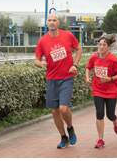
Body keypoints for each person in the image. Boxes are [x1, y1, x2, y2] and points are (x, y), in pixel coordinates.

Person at [35, 13, 82, 149]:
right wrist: (40, 64)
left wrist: (75, 64)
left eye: (54, 20)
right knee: (55, 111)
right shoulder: (42, 41)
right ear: (47, 23)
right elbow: (36, 59)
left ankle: (70, 127)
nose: (52, 22)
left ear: (58, 23)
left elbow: (78, 49)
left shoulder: (67, 35)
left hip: (66, 77)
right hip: (51, 79)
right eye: (49, 20)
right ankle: (63, 137)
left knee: (63, 108)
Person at [85, 34, 117, 149]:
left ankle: (115, 120)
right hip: (98, 89)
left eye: (104, 45)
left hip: (111, 90)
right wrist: (87, 77)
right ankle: (100, 139)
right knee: (99, 113)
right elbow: (88, 67)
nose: (101, 46)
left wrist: (110, 78)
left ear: (108, 47)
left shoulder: (113, 59)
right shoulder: (94, 57)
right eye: (100, 44)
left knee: (110, 114)